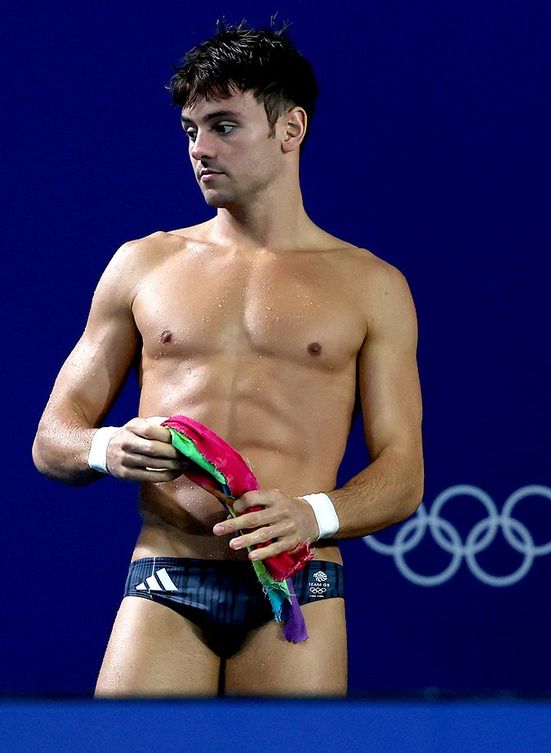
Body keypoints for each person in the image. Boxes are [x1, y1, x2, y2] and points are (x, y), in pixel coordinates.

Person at [32, 21, 424, 697]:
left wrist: (312, 515)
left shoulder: (371, 285)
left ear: (290, 129)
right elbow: (51, 437)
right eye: (190, 130)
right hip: (165, 573)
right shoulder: (143, 264)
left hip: (297, 582)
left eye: (223, 126)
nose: (199, 149)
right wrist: (104, 448)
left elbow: (402, 474)